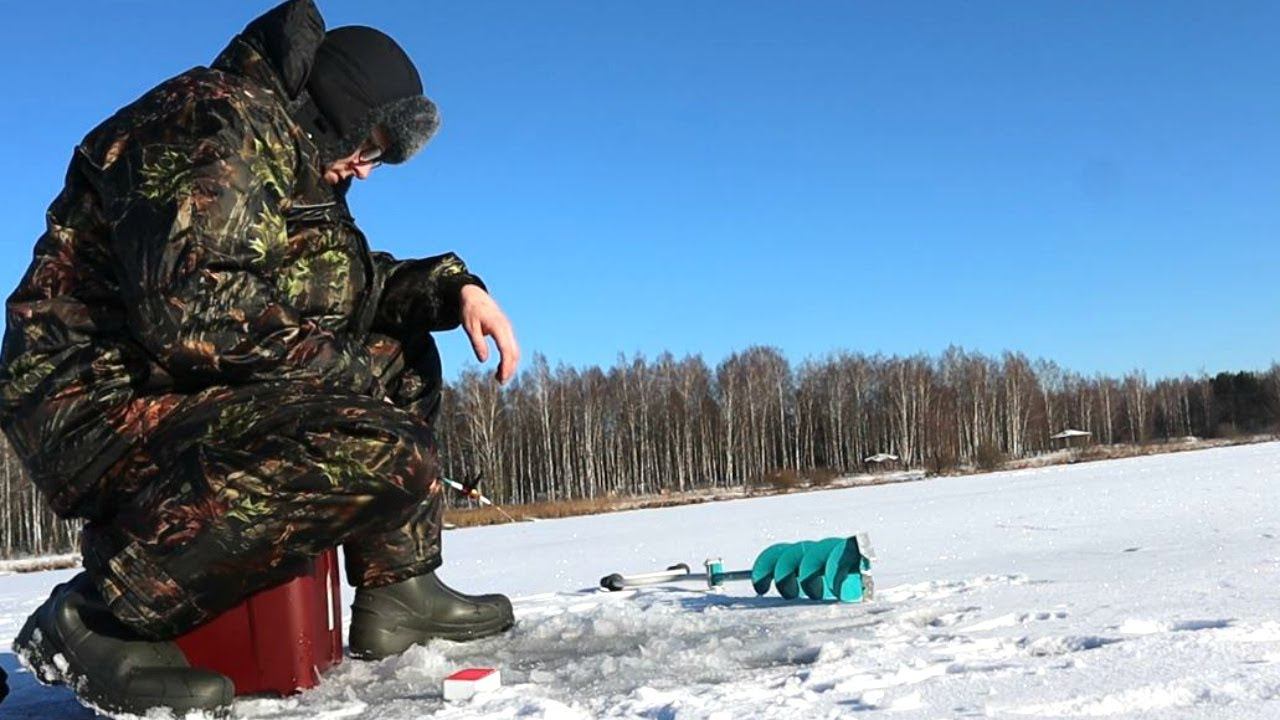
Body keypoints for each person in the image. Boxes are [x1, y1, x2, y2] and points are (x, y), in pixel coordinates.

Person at [0, 1, 520, 716]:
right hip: (92, 395)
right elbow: (196, 309)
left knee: (398, 354)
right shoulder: (215, 119)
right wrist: (345, 383)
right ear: (336, 113)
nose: (366, 170)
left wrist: (456, 287)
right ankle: (99, 616)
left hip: (164, 381)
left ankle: (398, 591)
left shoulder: (293, 160)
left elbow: (349, 289)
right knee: (371, 440)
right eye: (368, 147)